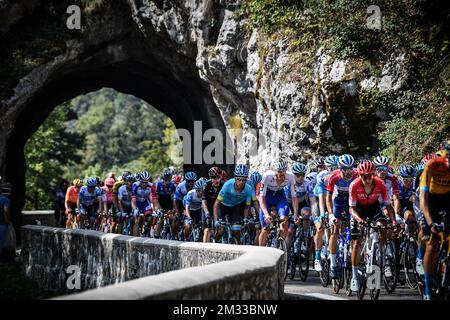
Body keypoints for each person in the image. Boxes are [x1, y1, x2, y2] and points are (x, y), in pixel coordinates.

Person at [348, 160, 397, 291]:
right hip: (359, 210)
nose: (367, 179)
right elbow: (351, 209)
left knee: (382, 226)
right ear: (359, 175)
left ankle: (381, 253)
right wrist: (359, 220)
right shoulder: (354, 185)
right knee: (357, 243)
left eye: (369, 175)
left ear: (373, 174)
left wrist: (393, 222)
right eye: (363, 176)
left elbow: (388, 205)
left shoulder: (380, 184)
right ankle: (354, 276)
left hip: (374, 208)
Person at [419, 140, 450, 300]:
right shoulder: (433, 165)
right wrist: (430, 223)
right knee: (432, 244)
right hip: (432, 200)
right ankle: (427, 288)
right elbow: (423, 199)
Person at [326, 154, 358, 279]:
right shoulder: (334, 176)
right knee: (335, 229)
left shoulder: (357, 175)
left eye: (351, 168)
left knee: (354, 228)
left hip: (351, 201)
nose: (349, 172)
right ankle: (333, 264)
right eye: (345, 169)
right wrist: (330, 214)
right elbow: (328, 197)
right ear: (340, 168)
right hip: (338, 201)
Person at [258, 159, 299, 247]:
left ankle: (280, 246)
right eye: (279, 171)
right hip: (267, 197)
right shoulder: (267, 176)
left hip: (280, 196)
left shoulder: (291, 177)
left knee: (284, 221)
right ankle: (260, 252)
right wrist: (266, 214)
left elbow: (294, 197)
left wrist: (295, 214)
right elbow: (262, 198)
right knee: (265, 229)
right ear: (274, 171)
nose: (281, 174)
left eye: (283, 171)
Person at [214, 164, 253, 244]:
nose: (241, 182)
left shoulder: (248, 188)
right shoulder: (228, 185)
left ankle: (238, 248)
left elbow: (247, 205)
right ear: (235, 178)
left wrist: (245, 218)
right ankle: (215, 242)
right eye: (239, 179)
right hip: (223, 206)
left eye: (244, 180)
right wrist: (216, 220)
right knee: (221, 230)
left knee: (237, 231)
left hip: (235, 207)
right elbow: (216, 203)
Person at [202, 167, 224, 243]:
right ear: (210, 178)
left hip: (218, 208)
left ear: (221, 177)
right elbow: (203, 202)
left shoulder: (223, 185)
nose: (216, 180)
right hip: (207, 207)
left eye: (218, 177)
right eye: (213, 177)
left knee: (220, 229)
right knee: (207, 230)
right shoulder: (207, 184)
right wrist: (207, 213)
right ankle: (204, 250)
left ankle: (216, 241)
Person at [0, 182, 12, 259]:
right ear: (9, 191)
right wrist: (8, 222)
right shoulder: (6, 200)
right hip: (2, 224)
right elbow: (5, 211)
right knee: (1, 242)